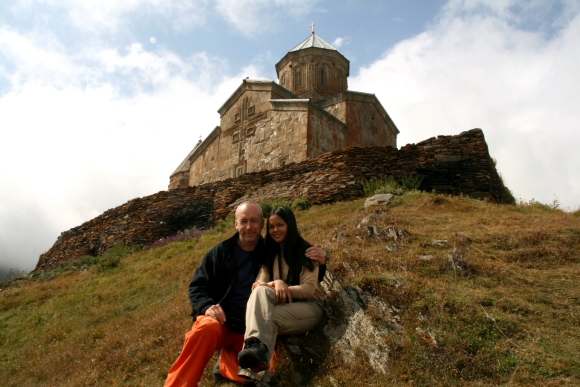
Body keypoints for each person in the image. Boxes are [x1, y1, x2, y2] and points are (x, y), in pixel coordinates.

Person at [164, 202, 326, 387]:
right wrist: (207, 306)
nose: (249, 227)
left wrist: (322, 263)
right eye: (244, 221)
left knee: (263, 368)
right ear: (236, 224)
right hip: (223, 321)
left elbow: (302, 275)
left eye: (254, 221)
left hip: (253, 326)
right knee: (203, 331)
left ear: (261, 224)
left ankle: (227, 365)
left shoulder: (269, 250)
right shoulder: (220, 252)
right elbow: (197, 287)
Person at [237, 207, 326, 385]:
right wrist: (273, 283)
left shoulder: (307, 251)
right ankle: (256, 355)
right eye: (271, 226)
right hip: (284, 308)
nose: (275, 230)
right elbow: (259, 285)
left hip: (310, 307)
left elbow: (308, 289)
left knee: (264, 317)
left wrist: (279, 286)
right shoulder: (270, 255)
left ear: (290, 226)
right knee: (264, 311)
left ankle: (255, 379)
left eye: (280, 225)